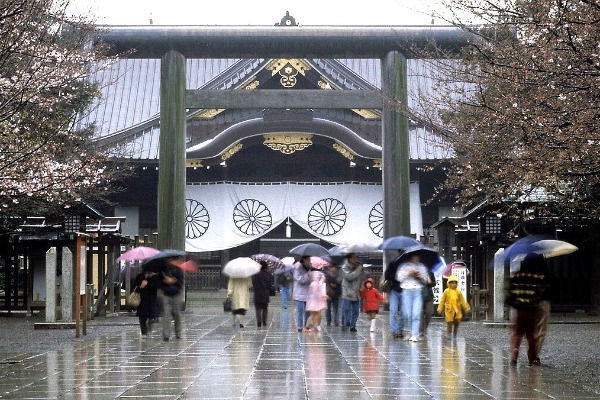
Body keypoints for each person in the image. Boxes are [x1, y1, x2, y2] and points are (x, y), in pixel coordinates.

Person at [506, 253, 551, 366]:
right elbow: (540, 291)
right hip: (531, 309)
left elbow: (511, 292)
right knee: (531, 335)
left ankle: (515, 350)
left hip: (519, 309)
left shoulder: (516, 276)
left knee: (517, 333)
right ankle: (532, 357)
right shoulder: (536, 277)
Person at [395, 251, 430, 342]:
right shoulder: (404, 266)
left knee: (416, 313)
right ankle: (411, 331)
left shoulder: (421, 267)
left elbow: (426, 280)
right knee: (408, 314)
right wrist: (408, 273)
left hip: (417, 290)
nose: (416, 258)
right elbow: (399, 278)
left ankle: (415, 334)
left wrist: (419, 276)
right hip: (406, 290)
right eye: (414, 256)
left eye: (417, 256)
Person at [436, 274, 470, 340]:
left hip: (457, 310)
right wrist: (440, 308)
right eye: (452, 283)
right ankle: (449, 334)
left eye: (455, 283)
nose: (454, 285)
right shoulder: (446, 291)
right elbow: (442, 300)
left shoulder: (458, 292)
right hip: (449, 309)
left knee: (457, 322)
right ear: (449, 283)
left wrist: (466, 307)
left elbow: (462, 300)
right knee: (449, 322)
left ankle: (455, 333)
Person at [159, 260, 184, 341]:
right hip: (166, 293)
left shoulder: (178, 270)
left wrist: (174, 280)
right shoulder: (163, 270)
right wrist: (164, 280)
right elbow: (159, 281)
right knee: (166, 314)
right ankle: (166, 335)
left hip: (176, 293)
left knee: (177, 313)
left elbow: (181, 282)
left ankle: (178, 333)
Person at [132, 270, 160, 338]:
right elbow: (134, 287)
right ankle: (143, 332)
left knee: (151, 316)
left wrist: (148, 284)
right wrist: (141, 286)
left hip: (151, 300)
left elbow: (156, 287)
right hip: (141, 300)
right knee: (142, 317)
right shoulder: (140, 276)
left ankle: (149, 329)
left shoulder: (155, 277)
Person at [384, 252, 404, 339]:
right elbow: (387, 275)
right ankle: (394, 330)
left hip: (405, 290)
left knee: (404, 312)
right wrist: (396, 276)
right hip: (394, 290)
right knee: (393, 311)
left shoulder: (408, 265)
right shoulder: (393, 263)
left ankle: (400, 330)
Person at [341, 253, 364, 332]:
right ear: (349, 258)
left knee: (356, 311)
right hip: (347, 292)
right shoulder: (345, 267)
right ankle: (345, 323)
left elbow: (361, 277)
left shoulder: (358, 266)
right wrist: (358, 270)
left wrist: (362, 285)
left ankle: (353, 325)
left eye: (356, 258)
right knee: (346, 309)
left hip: (356, 292)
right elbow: (349, 277)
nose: (356, 260)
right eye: (354, 258)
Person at [305, 266, 327, 332]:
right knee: (317, 313)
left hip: (311, 298)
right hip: (318, 298)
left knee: (312, 314)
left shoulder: (310, 274)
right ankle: (315, 325)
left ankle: (308, 326)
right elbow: (322, 284)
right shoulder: (321, 275)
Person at [292, 256, 312, 332]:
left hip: (307, 292)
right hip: (299, 293)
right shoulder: (297, 267)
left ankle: (306, 326)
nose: (309, 261)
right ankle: (300, 326)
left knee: (308, 311)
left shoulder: (309, 266)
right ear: (304, 259)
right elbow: (299, 279)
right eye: (308, 259)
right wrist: (308, 275)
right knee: (300, 310)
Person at [251, 261, 273, 328]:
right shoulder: (268, 274)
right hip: (265, 293)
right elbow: (270, 284)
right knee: (265, 308)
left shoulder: (255, 275)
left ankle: (259, 322)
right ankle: (264, 321)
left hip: (257, 293)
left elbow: (253, 284)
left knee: (258, 308)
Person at [420, 269, 436, 338]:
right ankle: (421, 330)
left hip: (429, 296)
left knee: (429, 312)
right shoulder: (417, 271)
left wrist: (430, 282)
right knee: (420, 313)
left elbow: (434, 283)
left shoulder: (430, 272)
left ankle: (424, 328)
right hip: (419, 296)